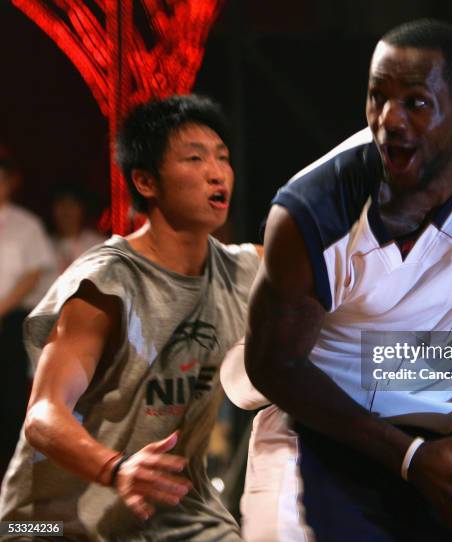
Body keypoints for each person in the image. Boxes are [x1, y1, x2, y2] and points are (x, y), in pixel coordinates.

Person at [230, 19, 452, 542]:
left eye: (415, 100)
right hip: (327, 416)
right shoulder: (313, 214)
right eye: (377, 97)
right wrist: (410, 458)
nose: (390, 119)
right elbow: (273, 364)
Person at [0, 95, 260, 541]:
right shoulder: (106, 284)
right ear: (145, 181)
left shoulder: (246, 271)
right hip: (51, 523)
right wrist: (116, 468)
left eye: (222, 158)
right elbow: (42, 414)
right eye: (194, 158)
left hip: (176, 516)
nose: (216, 172)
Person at [0, 158, 55, 479]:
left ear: (10, 182)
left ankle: (11, 468)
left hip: (10, 321)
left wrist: (3, 309)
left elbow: (34, 274)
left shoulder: (26, 224)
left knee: (9, 395)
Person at [49, 183, 106, 275]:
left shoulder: (99, 245)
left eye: (72, 204)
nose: (66, 210)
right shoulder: (45, 245)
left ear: (82, 209)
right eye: (61, 204)